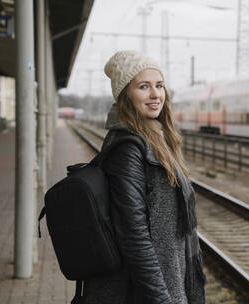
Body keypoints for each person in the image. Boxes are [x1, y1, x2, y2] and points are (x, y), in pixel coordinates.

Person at [83, 50, 206, 304]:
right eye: (143, 86)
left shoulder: (158, 139)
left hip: (167, 282)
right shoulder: (128, 148)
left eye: (159, 86)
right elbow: (133, 236)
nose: (155, 94)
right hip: (143, 292)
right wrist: (162, 299)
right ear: (125, 94)